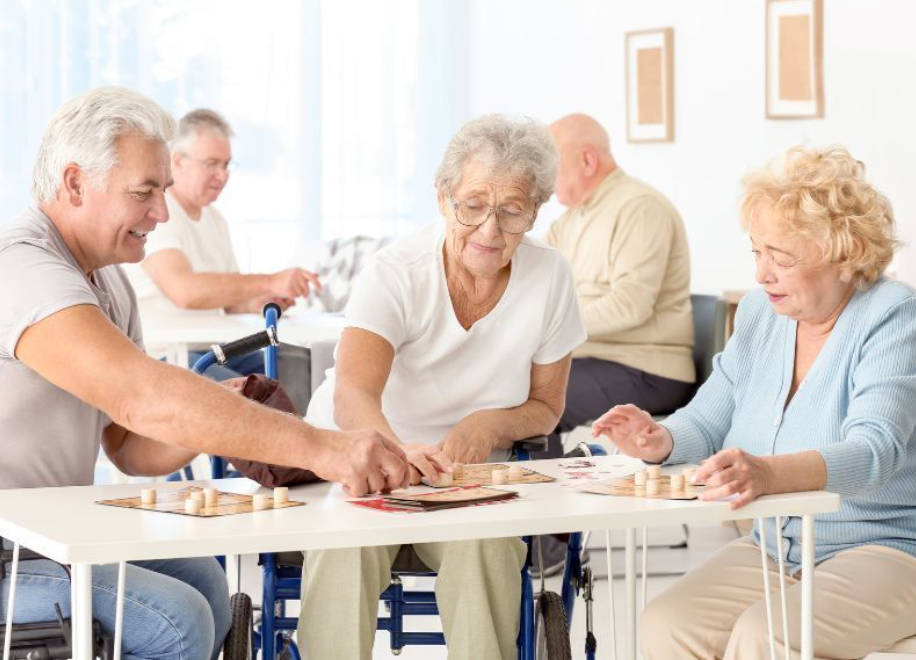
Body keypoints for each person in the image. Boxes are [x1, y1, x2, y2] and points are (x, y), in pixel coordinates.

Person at [0, 86, 409, 660]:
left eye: (163, 191)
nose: (163, 213)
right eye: (144, 192)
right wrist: (324, 448)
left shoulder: (109, 280)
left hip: (45, 535)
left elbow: (130, 447)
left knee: (208, 583)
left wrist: (221, 408)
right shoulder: (21, 268)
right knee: (180, 621)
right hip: (10, 551)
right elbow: (140, 398)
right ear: (74, 183)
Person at [594, 146, 916, 659]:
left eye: (782, 257)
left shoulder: (892, 315)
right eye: (757, 251)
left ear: (844, 254)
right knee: (666, 621)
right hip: (777, 548)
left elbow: (875, 451)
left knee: (766, 635)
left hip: (886, 549)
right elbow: (709, 417)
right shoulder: (760, 315)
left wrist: (769, 474)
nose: (763, 273)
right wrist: (658, 439)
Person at [297, 114, 586, 660]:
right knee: (344, 547)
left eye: (511, 211)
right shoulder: (397, 271)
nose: (489, 230)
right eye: (472, 205)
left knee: (486, 548)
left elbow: (548, 405)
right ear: (442, 197)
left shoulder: (550, 277)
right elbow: (352, 393)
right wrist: (394, 451)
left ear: (536, 211)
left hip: (465, 477)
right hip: (366, 457)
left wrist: (489, 425)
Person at [530, 112, 696, 576]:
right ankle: (527, 529)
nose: (545, 181)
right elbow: (539, 293)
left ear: (587, 160)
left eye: (552, 167)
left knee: (537, 402)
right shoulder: (570, 221)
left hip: (649, 369)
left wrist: (545, 329)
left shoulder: (639, 208)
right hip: (597, 360)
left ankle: (550, 547)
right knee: (506, 389)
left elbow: (629, 307)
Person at [127, 109, 322, 378]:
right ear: (178, 161)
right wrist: (271, 281)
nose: (223, 175)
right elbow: (185, 291)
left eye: (227, 164)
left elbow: (231, 303)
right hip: (170, 354)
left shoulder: (215, 220)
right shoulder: (159, 213)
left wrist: (260, 302)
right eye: (212, 163)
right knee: (251, 397)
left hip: (214, 349)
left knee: (302, 370)